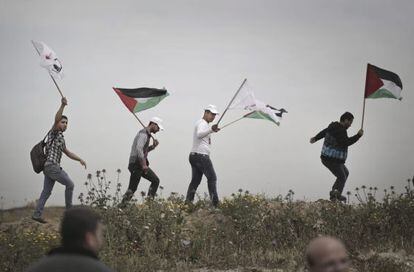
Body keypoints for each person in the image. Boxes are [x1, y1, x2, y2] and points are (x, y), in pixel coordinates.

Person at [32, 97, 87, 223]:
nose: (65, 124)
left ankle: (36, 214)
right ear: (57, 124)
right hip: (51, 166)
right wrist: (62, 106)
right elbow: (56, 118)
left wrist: (80, 159)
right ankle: (69, 213)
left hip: (49, 168)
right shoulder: (54, 132)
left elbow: (67, 152)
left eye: (66, 123)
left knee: (46, 192)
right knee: (70, 184)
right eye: (63, 122)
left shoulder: (61, 138)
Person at [26, 207, 114, 272]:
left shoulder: (35, 268)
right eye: (99, 234)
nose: (102, 239)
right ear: (89, 238)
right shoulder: (100, 269)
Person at [310, 112, 363, 201]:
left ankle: (335, 192)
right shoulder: (340, 130)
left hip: (330, 158)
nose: (350, 125)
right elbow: (346, 142)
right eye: (350, 122)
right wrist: (358, 136)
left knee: (345, 173)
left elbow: (324, 132)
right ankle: (335, 196)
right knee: (342, 176)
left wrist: (315, 138)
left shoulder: (333, 126)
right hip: (331, 160)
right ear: (345, 120)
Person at [121, 117, 163, 205]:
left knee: (155, 181)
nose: (158, 130)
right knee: (132, 188)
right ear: (153, 124)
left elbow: (143, 150)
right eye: (158, 127)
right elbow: (139, 149)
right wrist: (144, 164)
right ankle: (120, 208)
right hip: (136, 164)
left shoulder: (146, 134)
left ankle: (149, 204)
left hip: (138, 164)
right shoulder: (143, 134)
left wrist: (153, 147)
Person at [185, 105, 221, 207]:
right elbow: (199, 134)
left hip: (194, 155)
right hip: (201, 156)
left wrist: (212, 130)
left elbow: (202, 135)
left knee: (195, 181)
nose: (213, 117)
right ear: (205, 113)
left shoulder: (203, 124)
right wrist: (211, 130)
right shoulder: (202, 123)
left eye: (214, 115)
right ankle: (215, 204)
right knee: (212, 178)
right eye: (211, 114)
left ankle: (187, 203)